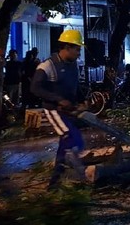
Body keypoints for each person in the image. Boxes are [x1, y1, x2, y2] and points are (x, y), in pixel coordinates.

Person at [30, 30, 89, 189]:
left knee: (67, 144)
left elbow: (75, 87)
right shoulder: (47, 66)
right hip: (54, 110)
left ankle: (55, 183)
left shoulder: (73, 65)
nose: (79, 52)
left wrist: (82, 100)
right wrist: (58, 100)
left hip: (69, 110)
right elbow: (35, 88)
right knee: (71, 138)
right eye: (77, 49)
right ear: (66, 47)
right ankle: (80, 176)